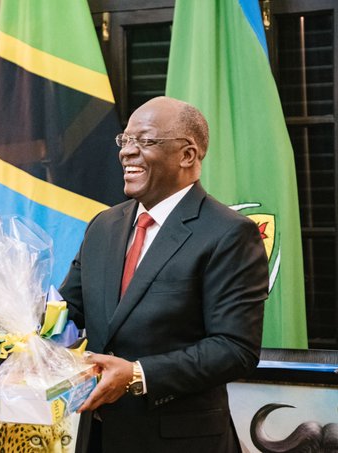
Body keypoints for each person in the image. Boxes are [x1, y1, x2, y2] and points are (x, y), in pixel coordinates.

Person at [59, 96, 269, 453]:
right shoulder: (103, 225)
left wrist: (139, 375)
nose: (127, 152)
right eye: (124, 141)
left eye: (144, 141)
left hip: (179, 441)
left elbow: (235, 349)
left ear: (187, 155)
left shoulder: (229, 233)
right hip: (96, 437)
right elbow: (69, 311)